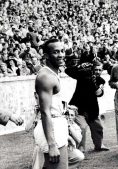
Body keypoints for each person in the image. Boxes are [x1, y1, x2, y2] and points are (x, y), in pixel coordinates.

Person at [34, 38, 69, 169]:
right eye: (56, 52)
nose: (61, 55)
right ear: (46, 56)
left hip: (56, 124)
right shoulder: (46, 76)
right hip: (52, 127)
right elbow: (45, 111)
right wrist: (52, 144)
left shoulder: (53, 73)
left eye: (62, 51)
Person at [65, 58, 109, 152]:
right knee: (82, 127)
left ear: (102, 71)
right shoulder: (82, 75)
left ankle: (99, 145)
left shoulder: (101, 81)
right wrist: (79, 66)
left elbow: (99, 93)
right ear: (92, 69)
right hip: (78, 107)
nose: (97, 72)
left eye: (99, 70)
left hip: (92, 108)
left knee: (98, 127)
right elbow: (67, 70)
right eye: (95, 69)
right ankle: (80, 148)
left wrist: (93, 82)